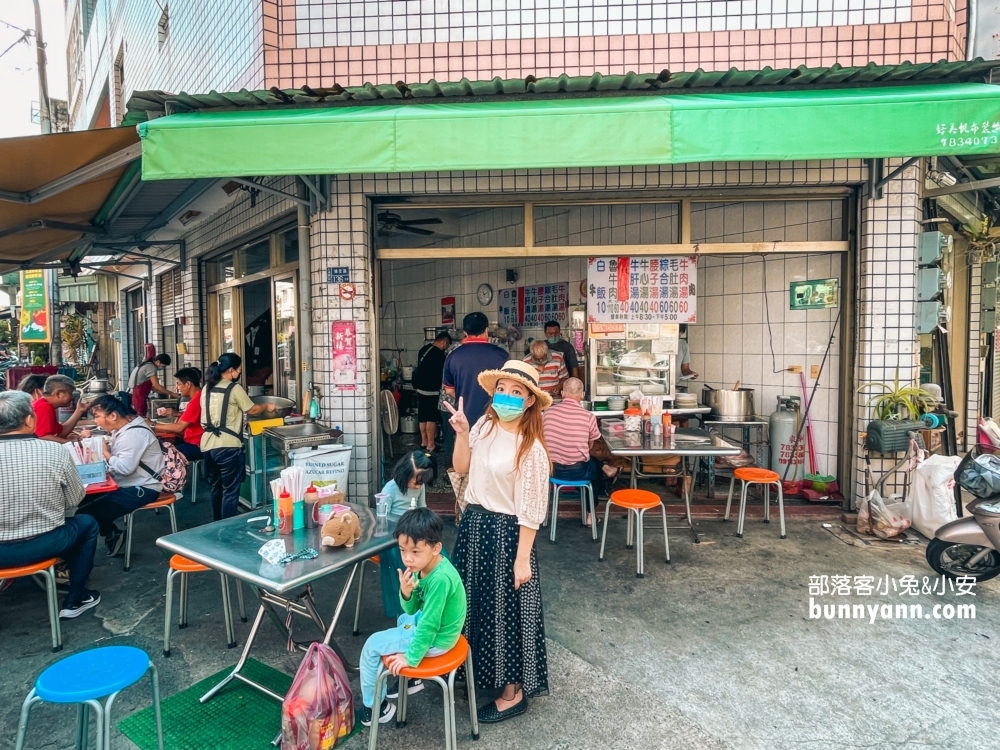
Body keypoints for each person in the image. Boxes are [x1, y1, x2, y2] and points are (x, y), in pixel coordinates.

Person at [445, 359, 550, 723]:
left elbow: (532, 509)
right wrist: (460, 432)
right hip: (474, 525)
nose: (505, 397)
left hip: (508, 536)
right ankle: (478, 674)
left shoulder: (531, 448)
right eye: (502, 390)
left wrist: (523, 560)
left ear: (530, 401)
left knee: (507, 613)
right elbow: (461, 468)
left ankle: (512, 693)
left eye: (516, 392)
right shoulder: (486, 424)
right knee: (473, 606)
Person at [357, 507, 467, 727]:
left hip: (437, 638)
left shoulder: (439, 579)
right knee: (403, 620)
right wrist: (406, 592)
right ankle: (413, 680)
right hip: (438, 631)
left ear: (436, 548)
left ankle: (376, 707)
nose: (407, 558)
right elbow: (411, 609)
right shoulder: (425, 565)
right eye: (402, 550)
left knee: (371, 647)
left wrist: (411, 659)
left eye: (415, 551)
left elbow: (429, 625)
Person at [0, 392, 100, 618]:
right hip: (44, 543)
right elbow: (75, 499)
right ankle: (75, 597)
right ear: (28, 420)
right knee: (87, 524)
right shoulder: (54, 451)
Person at [76, 394, 166, 557]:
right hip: (128, 483)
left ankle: (78, 557)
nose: (96, 421)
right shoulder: (125, 429)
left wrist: (104, 452)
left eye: (97, 417)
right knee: (81, 500)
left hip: (143, 488)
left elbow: (125, 468)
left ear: (113, 415)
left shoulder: (134, 434)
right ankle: (112, 533)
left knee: (85, 515)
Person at [200, 353, 274, 520]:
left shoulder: (206, 388)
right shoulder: (234, 388)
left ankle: (217, 523)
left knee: (216, 488)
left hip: (207, 445)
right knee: (230, 492)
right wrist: (266, 406)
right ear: (231, 370)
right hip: (228, 446)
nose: (239, 374)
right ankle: (228, 530)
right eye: (239, 371)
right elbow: (252, 409)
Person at [377, 450, 449, 621]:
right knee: (404, 571)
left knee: (441, 559)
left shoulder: (420, 486)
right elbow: (382, 517)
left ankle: (431, 605)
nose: (418, 486)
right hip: (397, 541)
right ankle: (405, 611)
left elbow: (423, 509)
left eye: (421, 482)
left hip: (417, 534)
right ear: (404, 474)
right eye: (415, 482)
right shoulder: (391, 488)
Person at [543, 377, 621, 496]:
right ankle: (590, 513)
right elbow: (590, 446)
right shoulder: (588, 416)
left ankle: (607, 469)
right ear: (583, 395)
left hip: (551, 470)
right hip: (577, 471)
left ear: (562, 393)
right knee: (595, 471)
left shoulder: (547, 413)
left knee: (590, 461)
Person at [442, 312, 508, 428]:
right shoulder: (502, 355)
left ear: (465, 333)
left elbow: (449, 390)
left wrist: (468, 396)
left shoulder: (453, 356)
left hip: (466, 421)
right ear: (487, 330)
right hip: (495, 420)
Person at [154, 367, 204, 462]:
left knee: (162, 455)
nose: (177, 388)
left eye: (179, 384)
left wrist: (153, 425)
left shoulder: (196, 400)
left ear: (188, 384)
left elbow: (179, 427)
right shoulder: (198, 396)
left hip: (196, 445)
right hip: (193, 442)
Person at [412, 332, 451, 451]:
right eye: (447, 344)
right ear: (444, 342)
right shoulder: (439, 355)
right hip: (432, 390)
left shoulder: (423, 349)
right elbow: (443, 374)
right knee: (431, 418)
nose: (446, 347)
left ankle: (424, 442)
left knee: (423, 416)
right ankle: (431, 444)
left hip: (420, 388)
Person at [32, 375, 89, 444]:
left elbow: (61, 433)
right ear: (59, 394)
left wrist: (79, 410)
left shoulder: (45, 405)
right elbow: (42, 437)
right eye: (70, 393)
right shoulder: (44, 406)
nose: (72, 397)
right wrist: (72, 444)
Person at [127, 352, 173, 417]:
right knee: (141, 417)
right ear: (158, 361)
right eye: (163, 366)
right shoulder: (151, 367)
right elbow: (156, 386)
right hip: (138, 395)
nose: (162, 368)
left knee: (140, 416)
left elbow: (152, 387)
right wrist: (171, 393)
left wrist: (165, 393)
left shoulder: (146, 364)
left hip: (136, 394)